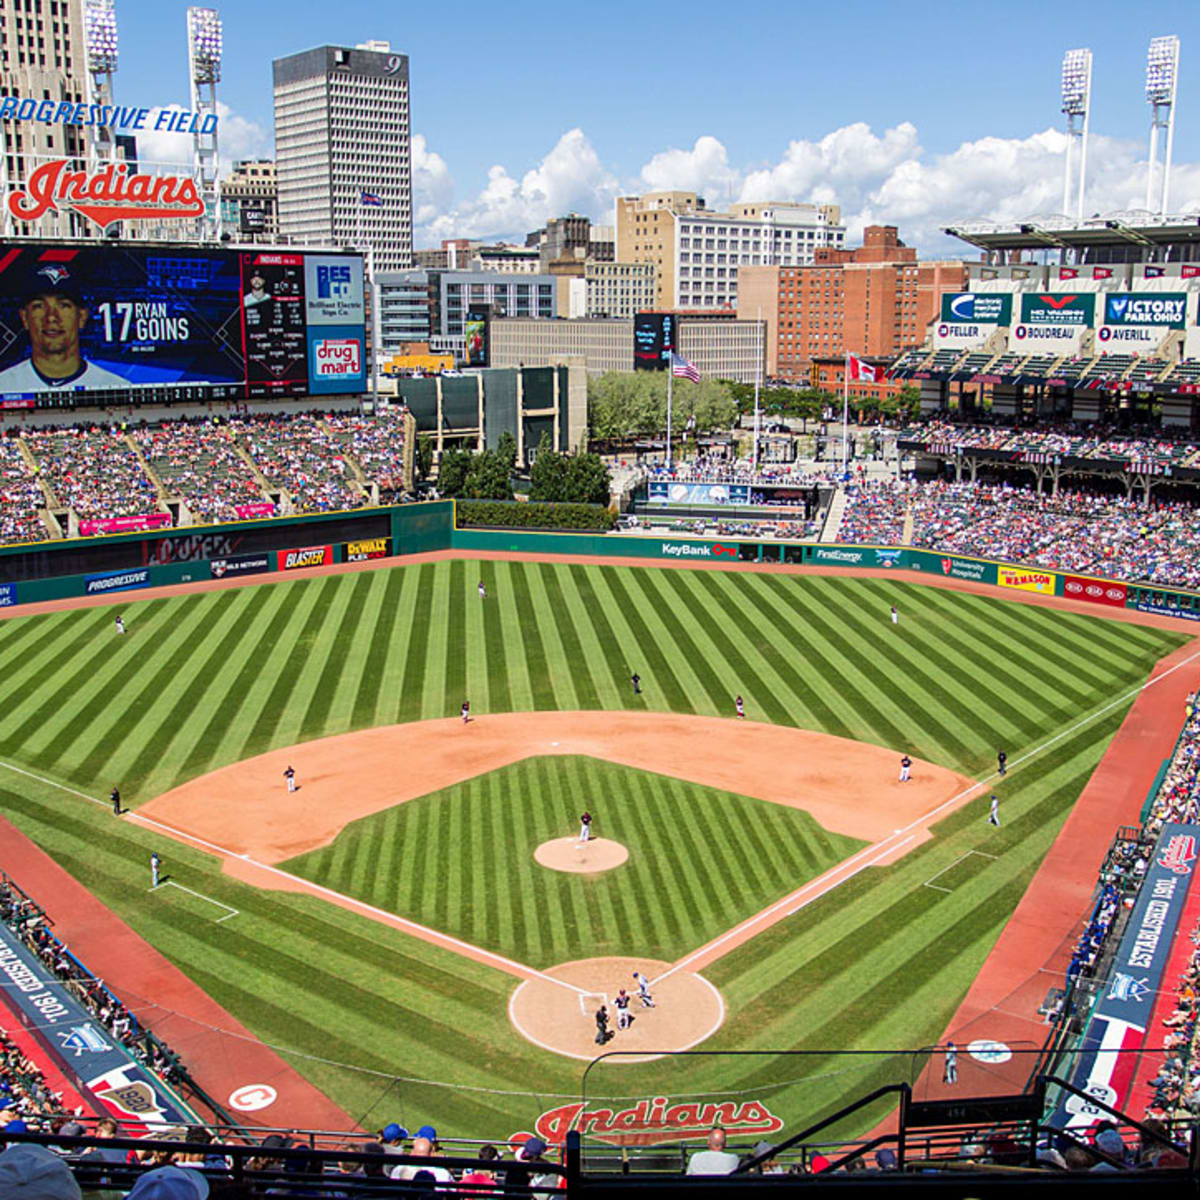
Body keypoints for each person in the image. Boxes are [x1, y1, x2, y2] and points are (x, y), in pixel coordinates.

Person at [0, 263, 126, 393]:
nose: (51, 317)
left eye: (64, 305)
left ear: (82, 316)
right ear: (25, 318)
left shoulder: (115, 386)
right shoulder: (4, 385)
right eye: (39, 306)